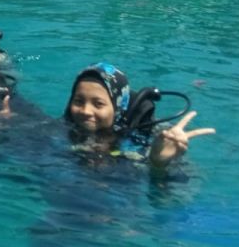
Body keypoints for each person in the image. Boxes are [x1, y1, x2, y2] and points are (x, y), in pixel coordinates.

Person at [64, 62, 214, 168]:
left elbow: (170, 200)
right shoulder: (62, 130)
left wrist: (158, 164)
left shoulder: (157, 138)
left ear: (118, 107)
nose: (85, 111)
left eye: (98, 104)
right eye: (78, 101)